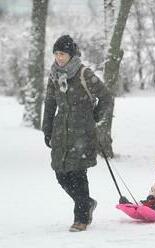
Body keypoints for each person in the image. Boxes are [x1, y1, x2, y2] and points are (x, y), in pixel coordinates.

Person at [42, 35, 113, 232]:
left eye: (62, 54)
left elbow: (106, 97)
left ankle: (81, 217)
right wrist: (46, 129)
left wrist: (94, 118)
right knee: (61, 173)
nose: (59, 58)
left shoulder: (84, 73)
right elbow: (49, 103)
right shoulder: (54, 75)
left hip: (82, 133)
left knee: (78, 174)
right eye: (56, 54)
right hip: (61, 132)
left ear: (71, 54)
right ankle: (87, 203)